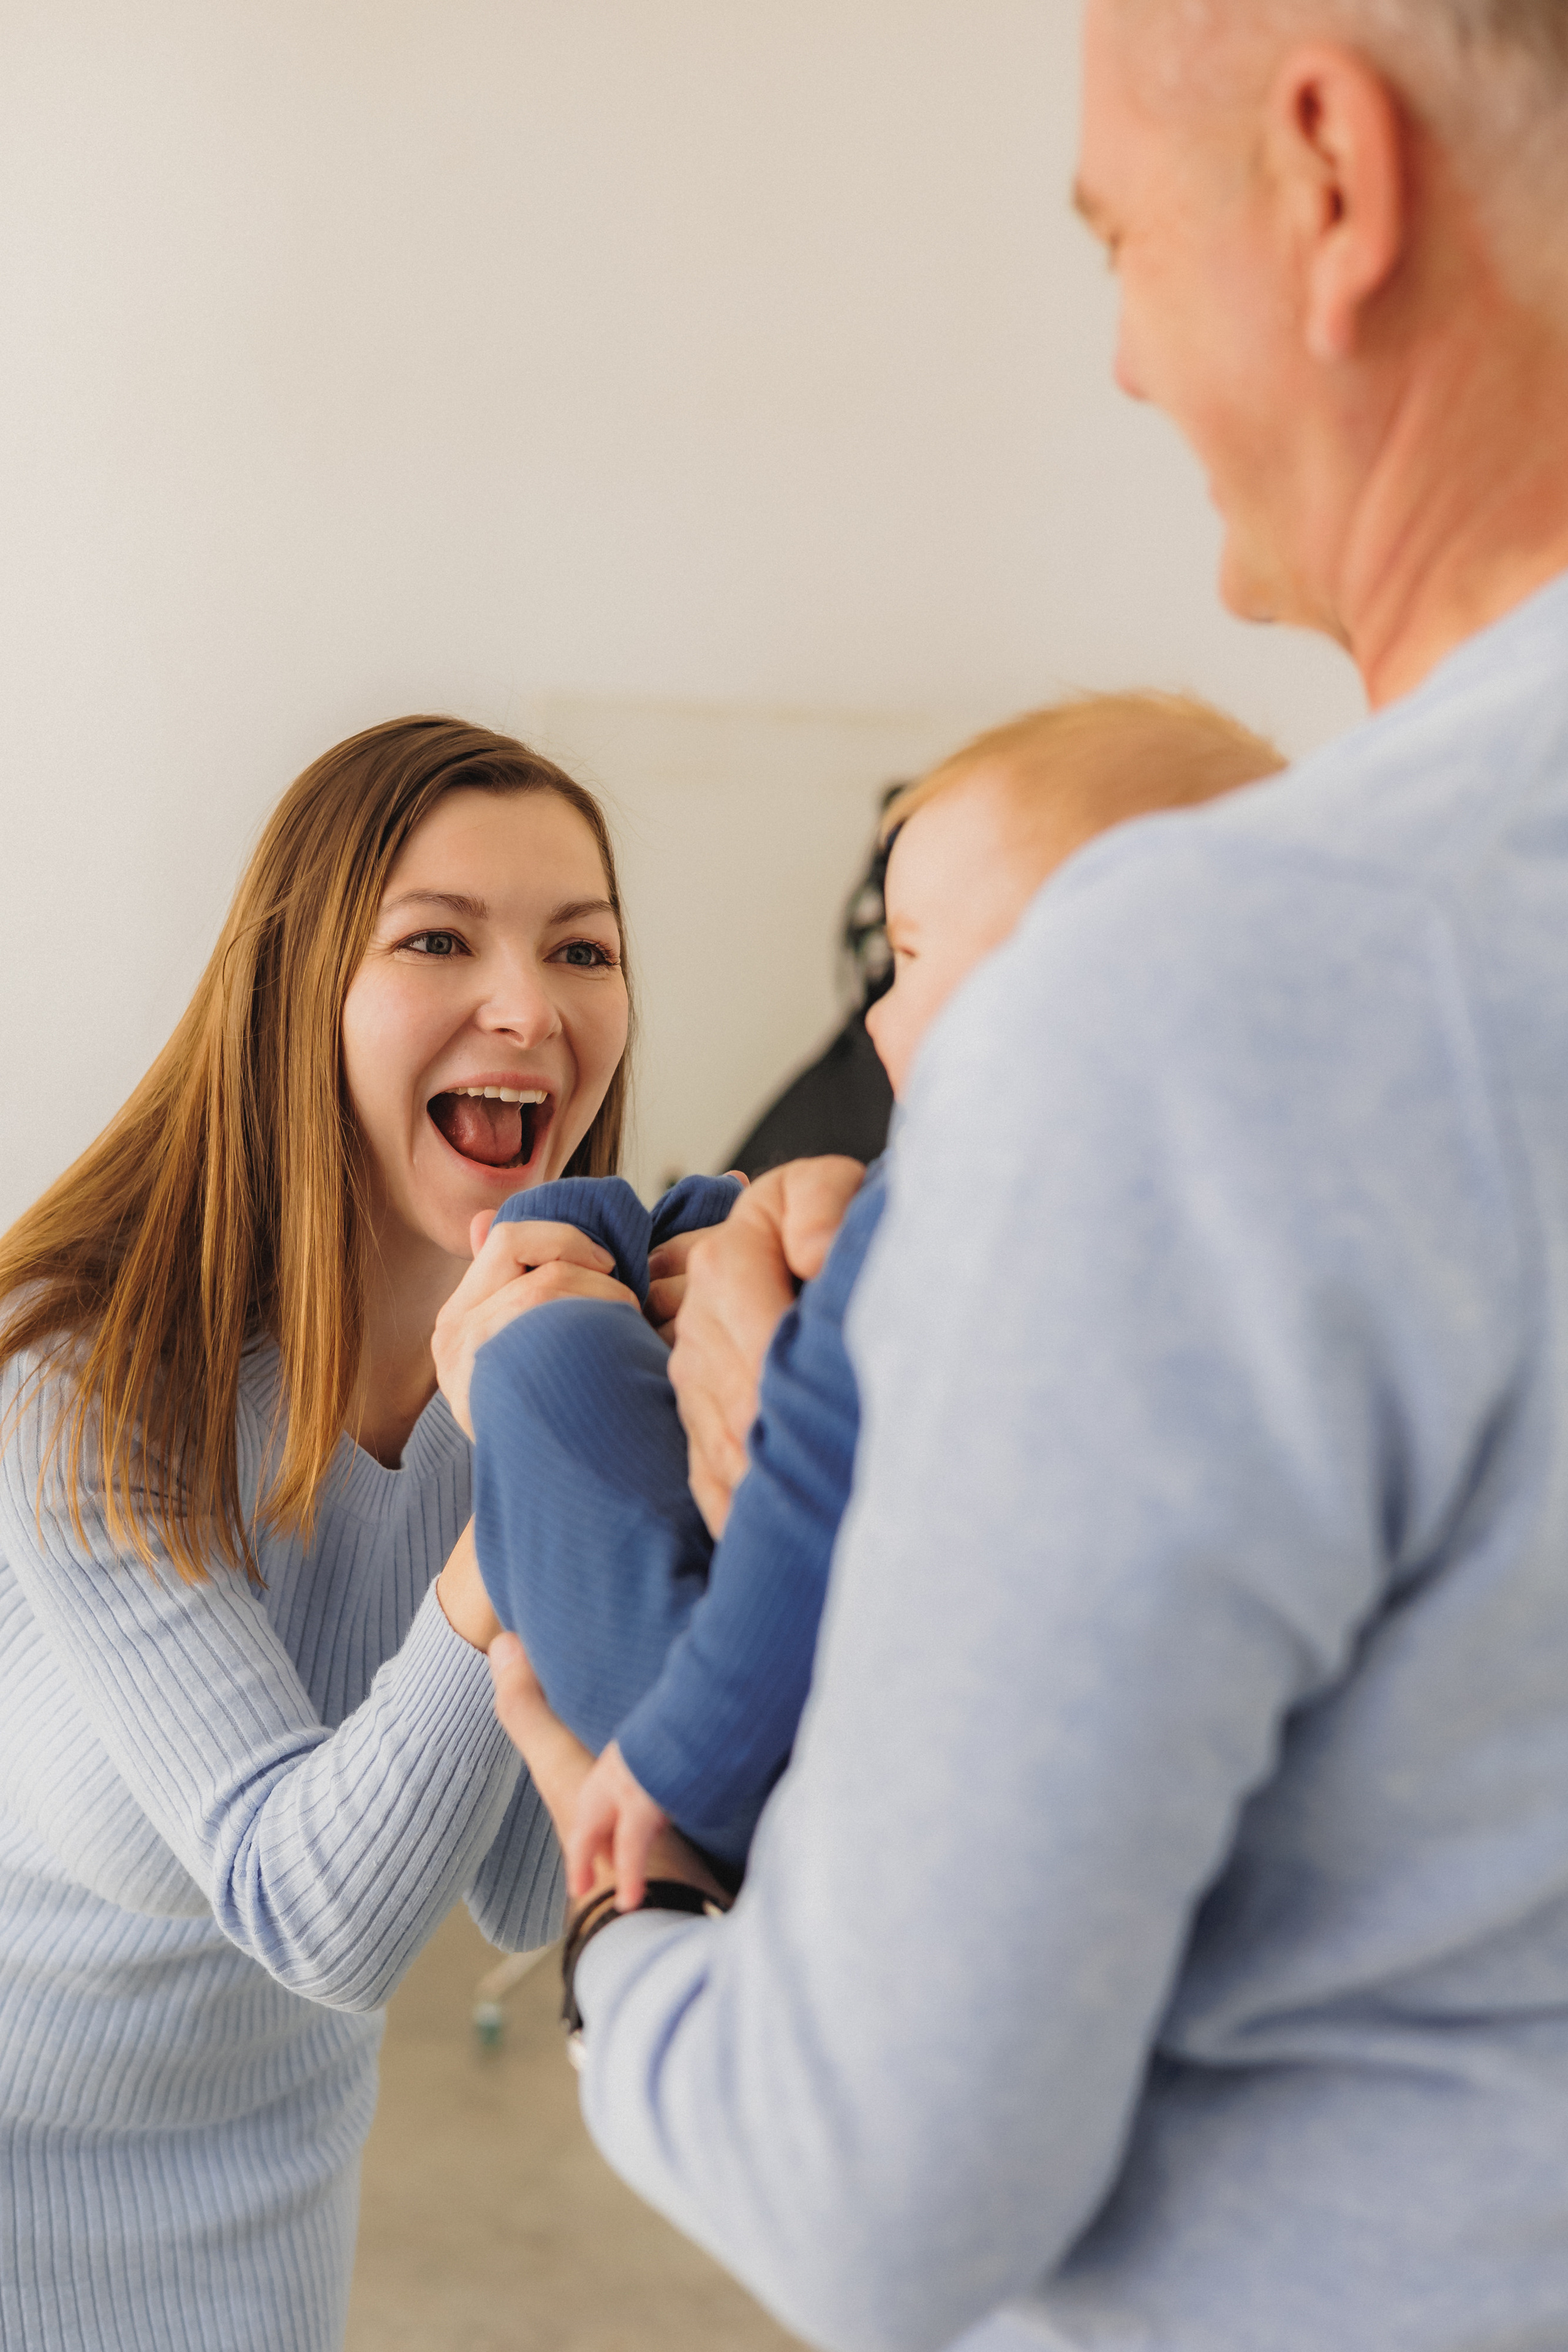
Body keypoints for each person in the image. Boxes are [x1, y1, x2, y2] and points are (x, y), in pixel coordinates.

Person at [465, 6, 1568, 2349]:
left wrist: (628, 1939)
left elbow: (876, 2184)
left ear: (1332, 179)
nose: (1128, 358)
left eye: (1122, 240)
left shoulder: (1221, 995)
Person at [0, 715, 695, 2352]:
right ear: (297, 989)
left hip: (263, 2190)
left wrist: (645, 1473)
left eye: (580, 949)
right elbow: (315, 1912)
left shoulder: (532, 1378)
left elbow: (535, 1889)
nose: (527, 1006)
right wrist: (528, 1504)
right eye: (438, 939)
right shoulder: (88, 1378)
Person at [454, 695, 1283, 1904]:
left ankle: (569, 1251)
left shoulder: (963, 1212)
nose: (878, 1014)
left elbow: (802, 1528)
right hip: (950, 1734)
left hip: (749, 1754)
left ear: (1079, 964)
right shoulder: (1211, 1219)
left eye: (908, 956)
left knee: (546, 1360)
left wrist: (672, 1775)